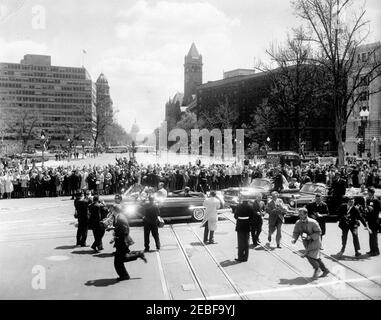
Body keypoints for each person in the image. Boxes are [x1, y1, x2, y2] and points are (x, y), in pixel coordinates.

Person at [110, 200, 147, 281]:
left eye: (112, 210)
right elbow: (120, 229)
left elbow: (125, 231)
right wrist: (114, 231)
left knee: (118, 261)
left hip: (122, 241)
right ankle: (125, 274)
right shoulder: (118, 217)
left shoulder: (120, 218)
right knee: (122, 258)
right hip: (121, 240)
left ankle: (124, 275)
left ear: (115, 210)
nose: (111, 211)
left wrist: (116, 236)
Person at [291, 208, 330, 279]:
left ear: (306, 214)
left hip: (315, 241)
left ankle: (317, 269)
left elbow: (319, 232)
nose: (300, 216)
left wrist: (310, 237)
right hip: (306, 243)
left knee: (309, 255)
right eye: (299, 214)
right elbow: (296, 232)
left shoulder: (313, 222)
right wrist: (294, 239)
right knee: (316, 258)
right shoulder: (298, 222)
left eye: (301, 214)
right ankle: (325, 270)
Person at [234, 197, 254, 262]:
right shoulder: (250, 207)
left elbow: (235, 216)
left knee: (240, 242)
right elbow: (252, 216)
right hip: (247, 225)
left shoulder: (239, 206)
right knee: (246, 242)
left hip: (240, 225)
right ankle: (245, 257)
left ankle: (240, 256)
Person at [365, 187, 380, 256]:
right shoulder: (368, 200)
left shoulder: (376, 200)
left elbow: (378, 210)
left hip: (374, 220)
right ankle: (372, 250)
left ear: (371, 193)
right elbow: (367, 209)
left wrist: (372, 209)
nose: (368, 193)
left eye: (369, 192)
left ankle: (376, 251)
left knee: (374, 236)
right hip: (370, 220)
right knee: (371, 236)